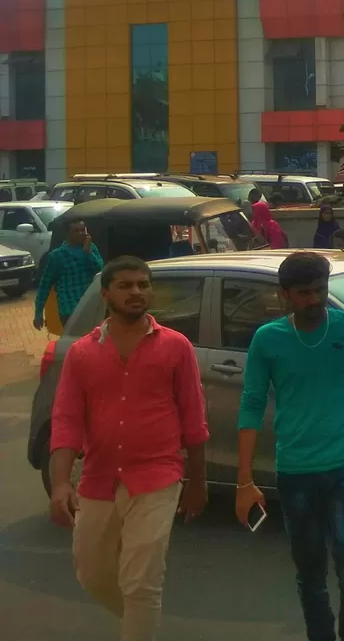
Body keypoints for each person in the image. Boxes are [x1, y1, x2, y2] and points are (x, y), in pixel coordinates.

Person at [236, 251, 344, 641]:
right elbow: (252, 404)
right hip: (296, 471)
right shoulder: (267, 339)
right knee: (310, 572)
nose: (314, 300)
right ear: (284, 295)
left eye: (321, 290)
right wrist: (244, 480)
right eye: (304, 293)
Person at [48, 256, 209, 641]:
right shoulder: (83, 353)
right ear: (107, 294)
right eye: (125, 285)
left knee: (141, 583)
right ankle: (141, 623)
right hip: (99, 479)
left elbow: (194, 419)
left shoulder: (176, 347)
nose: (136, 292)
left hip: (157, 477)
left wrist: (198, 481)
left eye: (143, 284)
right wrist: (59, 484)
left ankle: (140, 625)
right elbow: (66, 420)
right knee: (92, 574)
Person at [32, 218, 104, 334]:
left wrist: (88, 253)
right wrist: (38, 312)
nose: (81, 233)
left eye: (82, 230)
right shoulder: (57, 256)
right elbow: (45, 285)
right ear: (67, 234)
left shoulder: (91, 248)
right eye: (76, 231)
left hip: (91, 306)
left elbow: (100, 269)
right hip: (69, 309)